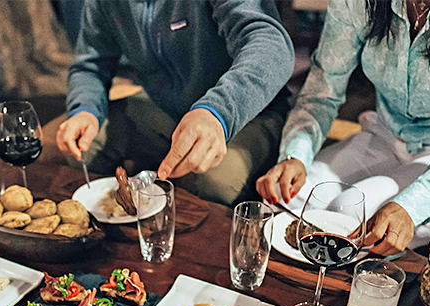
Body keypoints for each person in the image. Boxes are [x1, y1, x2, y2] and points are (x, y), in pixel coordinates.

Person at [257, 0, 430, 254]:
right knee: (283, 203)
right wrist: (294, 155)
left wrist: (411, 207)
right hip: (387, 133)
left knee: (348, 220)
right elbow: (323, 89)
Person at [57, 0, 296, 206]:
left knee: (215, 181)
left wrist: (216, 112)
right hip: (169, 110)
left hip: (246, 112)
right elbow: (90, 65)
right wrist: (84, 109)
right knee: (85, 146)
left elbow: (271, 45)